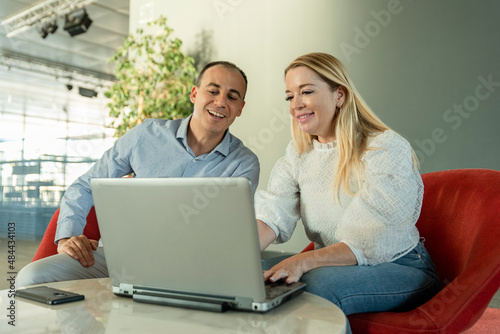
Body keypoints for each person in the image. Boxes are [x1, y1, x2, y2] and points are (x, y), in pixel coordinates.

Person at [17, 61, 259, 287]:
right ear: (194, 94)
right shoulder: (146, 135)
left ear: (240, 109)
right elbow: (85, 185)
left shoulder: (244, 164)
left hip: (193, 267)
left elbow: (227, 232)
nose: (220, 102)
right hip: (121, 257)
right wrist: (67, 236)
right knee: (32, 277)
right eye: (213, 91)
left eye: (232, 96)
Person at [256, 53, 440, 323]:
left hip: (399, 266)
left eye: (306, 92)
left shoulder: (384, 148)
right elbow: (272, 214)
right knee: (252, 278)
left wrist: (303, 261)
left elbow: (368, 239)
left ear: (339, 95)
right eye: (289, 96)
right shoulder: (298, 155)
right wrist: (235, 261)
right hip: (335, 266)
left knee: (316, 290)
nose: (296, 105)